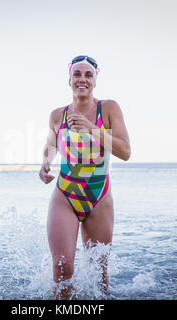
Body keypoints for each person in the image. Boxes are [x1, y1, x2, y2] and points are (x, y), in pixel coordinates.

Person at [39, 55, 131, 299]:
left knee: (98, 273)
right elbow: (51, 145)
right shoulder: (57, 115)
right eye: (77, 74)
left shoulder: (108, 109)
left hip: (99, 197)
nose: (82, 79)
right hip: (65, 195)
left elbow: (125, 152)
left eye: (88, 75)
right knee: (62, 266)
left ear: (95, 80)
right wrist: (45, 164)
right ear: (69, 79)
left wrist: (91, 128)